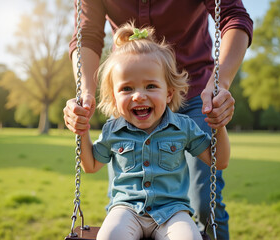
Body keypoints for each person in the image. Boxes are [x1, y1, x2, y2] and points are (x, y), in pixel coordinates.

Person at [64, 1, 253, 239]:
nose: (139, 95)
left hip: (174, 209)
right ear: (114, 95)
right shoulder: (115, 129)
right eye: (127, 89)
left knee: (206, 208)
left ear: (169, 93)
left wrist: (219, 122)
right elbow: (90, 165)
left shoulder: (183, 127)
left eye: (150, 86)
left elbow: (219, 160)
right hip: (128, 210)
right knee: (111, 232)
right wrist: (82, 118)